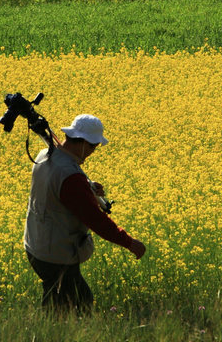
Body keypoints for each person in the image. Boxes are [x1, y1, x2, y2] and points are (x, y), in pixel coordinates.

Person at [23, 113, 146, 314]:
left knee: (59, 301)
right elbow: (96, 220)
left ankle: (45, 330)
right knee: (79, 305)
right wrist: (129, 242)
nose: (93, 152)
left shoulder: (45, 155)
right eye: (94, 147)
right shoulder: (71, 178)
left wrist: (86, 189)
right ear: (84, 144)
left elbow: (57, 192)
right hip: (55, 253)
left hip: (36, 244)